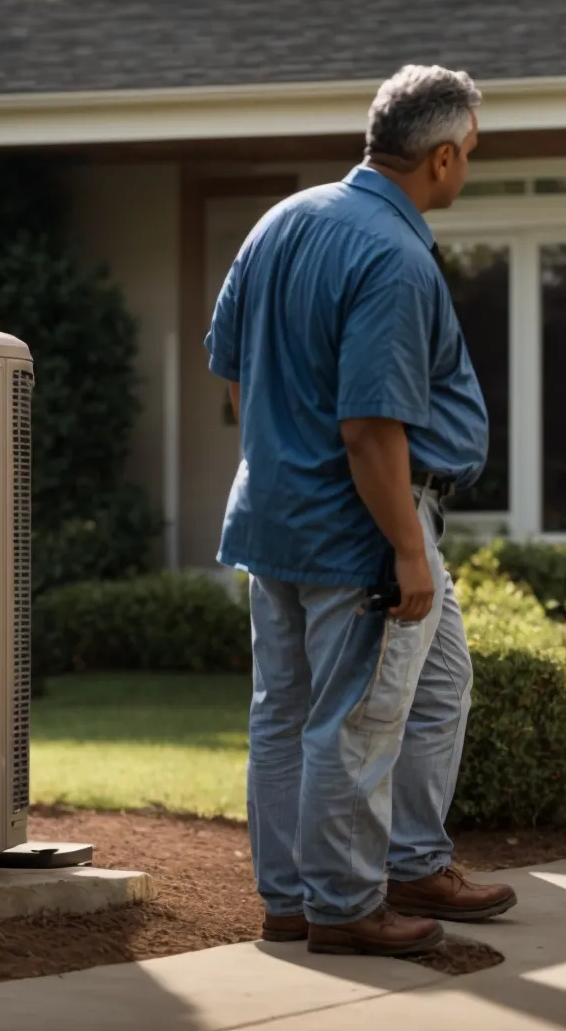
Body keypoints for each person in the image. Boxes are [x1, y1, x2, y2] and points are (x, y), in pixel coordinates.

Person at [204, 64, 517, 957]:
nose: (469, 171)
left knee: (387, 692)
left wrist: (284, 458)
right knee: (353, 718)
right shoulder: (394, 254)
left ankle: (384, 869)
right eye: (472, 157)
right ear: (444, 157)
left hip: (276, 513)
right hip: (366, 528)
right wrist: (407, 550)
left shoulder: (281, 221)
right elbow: (371, 427)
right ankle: (342, 906)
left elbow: (234, 374)